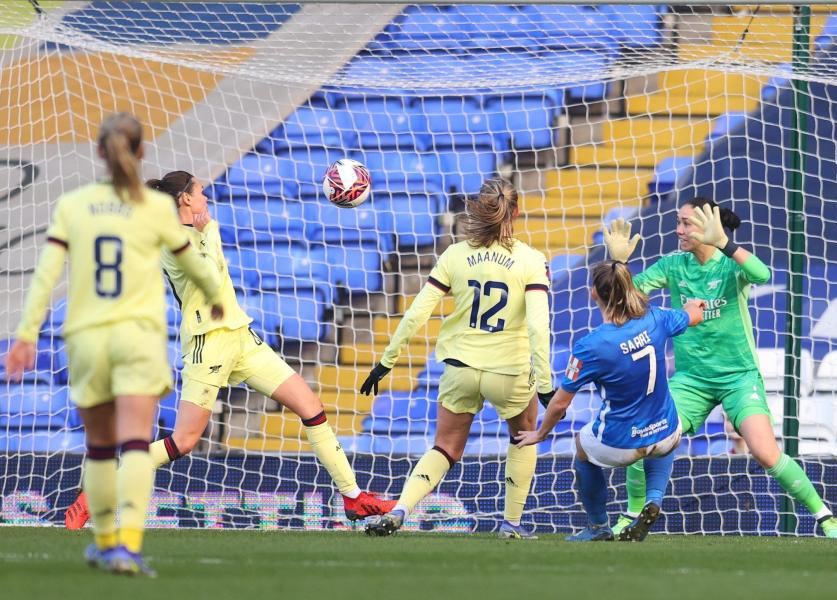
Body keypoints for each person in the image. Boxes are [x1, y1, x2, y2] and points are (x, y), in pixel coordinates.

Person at [65, 170, 395, 529]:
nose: (206, 198)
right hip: (208, 344)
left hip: (239, 335)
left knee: (311, 407)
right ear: (186, 199)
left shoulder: (192, 233)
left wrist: (207, 232)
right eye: (201, 192)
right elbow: (209, 275)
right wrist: (211, 231)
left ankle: (353, 497)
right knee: (184, 440)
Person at [4, 113, 225, 576]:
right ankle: (127, 545)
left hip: (87, 337)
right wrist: (218, 302)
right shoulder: (152, 208)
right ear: (141, 153)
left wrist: (26, 335)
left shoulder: (75, 204)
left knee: (101, 448)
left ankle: (104, 543)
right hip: (138, 337)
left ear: (100, 154)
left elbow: (46, 275)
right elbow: (193, 261)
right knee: (137, 445)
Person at [602, 199, 837, 538]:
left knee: (765, 453)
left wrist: (725, 244)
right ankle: (631, 515)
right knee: (646, 436)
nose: (678, 230)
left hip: (738, 376)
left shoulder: (730, 264)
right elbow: (624, 296)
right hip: (692, 380)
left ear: (708, 227)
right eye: (679, 222)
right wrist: (618, 264)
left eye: (686, 223)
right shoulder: (674, 265)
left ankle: (825, 517)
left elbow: (763, 273)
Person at [361, 178, 552, 539]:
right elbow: (539, 329)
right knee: (524, 437)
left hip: (460, 368)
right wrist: (544, 385)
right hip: (509, 371)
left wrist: (387, 361)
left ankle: (400, 508)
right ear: (517, 212)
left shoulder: (455, 254)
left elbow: (417, 313)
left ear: (478, 210)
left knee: (445, 447)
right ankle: (511, 524)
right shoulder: (531, 260)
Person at [517, 261, 705, 541]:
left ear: (594, 293)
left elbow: (559, 403)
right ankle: (653, 499)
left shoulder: (591, 346)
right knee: (666, 439)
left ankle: (598, 527)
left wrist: (541, 433)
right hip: (666, 430)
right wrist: (697, 306)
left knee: (582, 445)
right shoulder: (656, 318)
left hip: (622, 442)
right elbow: (693, 316)